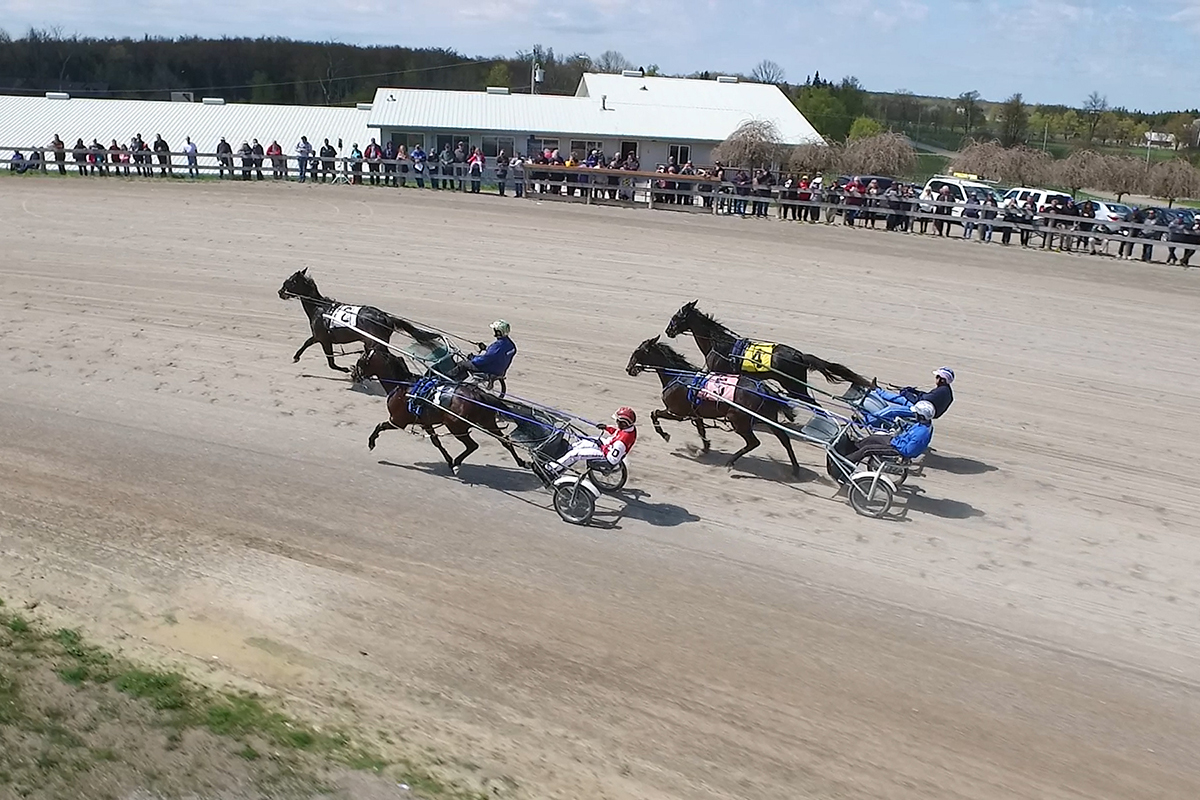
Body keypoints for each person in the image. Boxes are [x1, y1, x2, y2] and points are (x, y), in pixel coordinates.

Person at [542, 407, 638, 478]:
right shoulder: (629, 429)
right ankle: (565, 454)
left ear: (624, 423)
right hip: (607, 445)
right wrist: (606, 427)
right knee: (584, 441)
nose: (616, 422)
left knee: (574, 454)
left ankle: (551, 469)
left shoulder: (621, 443)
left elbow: (612, 460)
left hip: (606, 454)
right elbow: (617, 431)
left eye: (618, 421)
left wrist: (600, 449)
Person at [845, 401, 935, 466]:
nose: (914, 415)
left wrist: (895, 441)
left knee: (867, 449)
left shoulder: (921, 433)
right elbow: (909, 433)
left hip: (897, 449)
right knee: (872, 438)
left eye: (916, 413)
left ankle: (846, 462)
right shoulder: (923, 424)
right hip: (896, 441)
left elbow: (907, 451)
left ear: (921, 416)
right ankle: (852, 449)